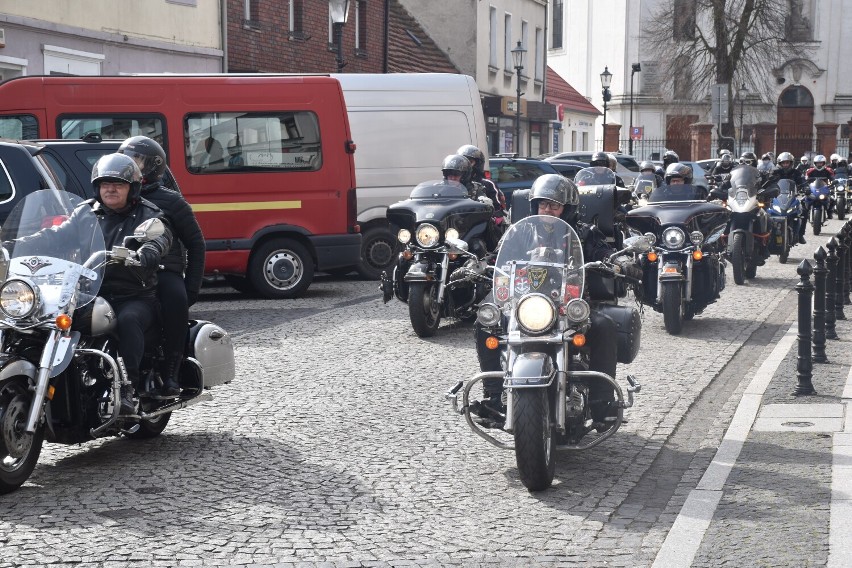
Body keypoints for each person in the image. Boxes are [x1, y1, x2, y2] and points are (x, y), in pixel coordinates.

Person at [473, 174, 641, 427]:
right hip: (526, 303)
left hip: (569, 304)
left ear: (568, 208)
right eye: (542, 204)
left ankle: (601, 402)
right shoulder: (521, 231)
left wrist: (620, 261)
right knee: (485, 323)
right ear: (534, 206)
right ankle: (495, 395)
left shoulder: (584, 233)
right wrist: (477, 265)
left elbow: (602, 253)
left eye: (554, 205)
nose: (547, 209)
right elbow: (498, 257)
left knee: (604, 326)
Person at [15, 154, 173, 415]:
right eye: (105, 184)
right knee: (38, 319)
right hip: (88, 292)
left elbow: (160, 238)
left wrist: (148, 252)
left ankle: (129, 390)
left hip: (132, 295)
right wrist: (17, 242)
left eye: (118, 184)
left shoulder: (149, 214)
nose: (110, 189)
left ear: (131, 188)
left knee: (129, 320)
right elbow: (57, 234)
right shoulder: (86, 211)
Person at [118, 136, 206, 399]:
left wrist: (191, 286)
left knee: (174, 299)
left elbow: (196, 244)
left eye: (136, 159)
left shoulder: (172, 201)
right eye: (126, 158)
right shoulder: (118, 196)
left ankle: (171, 371)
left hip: (163, 269)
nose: (129, 164)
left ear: (153, 165)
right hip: (125, 268)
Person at [456, 144, 507, 251]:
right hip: (457, 223)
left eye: (470, 161)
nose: (466, 165)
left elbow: (498, 211)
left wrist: (488, 209)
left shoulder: (487, 184)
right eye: (462, 161)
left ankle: (494, 254)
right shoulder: (454, 184)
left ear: (478, 164)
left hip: (478, 224)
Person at [767, 151, 807, 243]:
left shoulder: (796, 172)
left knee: (804, 211)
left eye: (787, 162)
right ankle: (767, 236)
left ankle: (800, 235)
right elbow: (768, 182)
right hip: (777, 197)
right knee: (766, 212)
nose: (785, 164)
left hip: (792, 197)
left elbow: (802, 181)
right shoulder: (775, 172)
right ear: (780, 163)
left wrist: (806, 188)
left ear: (791, 163)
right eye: (783, 163)